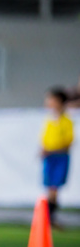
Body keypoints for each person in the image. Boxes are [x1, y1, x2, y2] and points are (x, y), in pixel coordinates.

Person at [40, 87, 74, 227]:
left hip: (59, 157)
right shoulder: (49, 120)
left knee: (54, 187)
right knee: (49, 187)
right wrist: (43, 149)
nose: (48, 102)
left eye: (51, 99)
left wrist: (52, 150)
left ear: (59, 102)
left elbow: (68, 142)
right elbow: (45, 137)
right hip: (49, 157)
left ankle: (50, 217)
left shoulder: (66, 121)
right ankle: (48, 217)